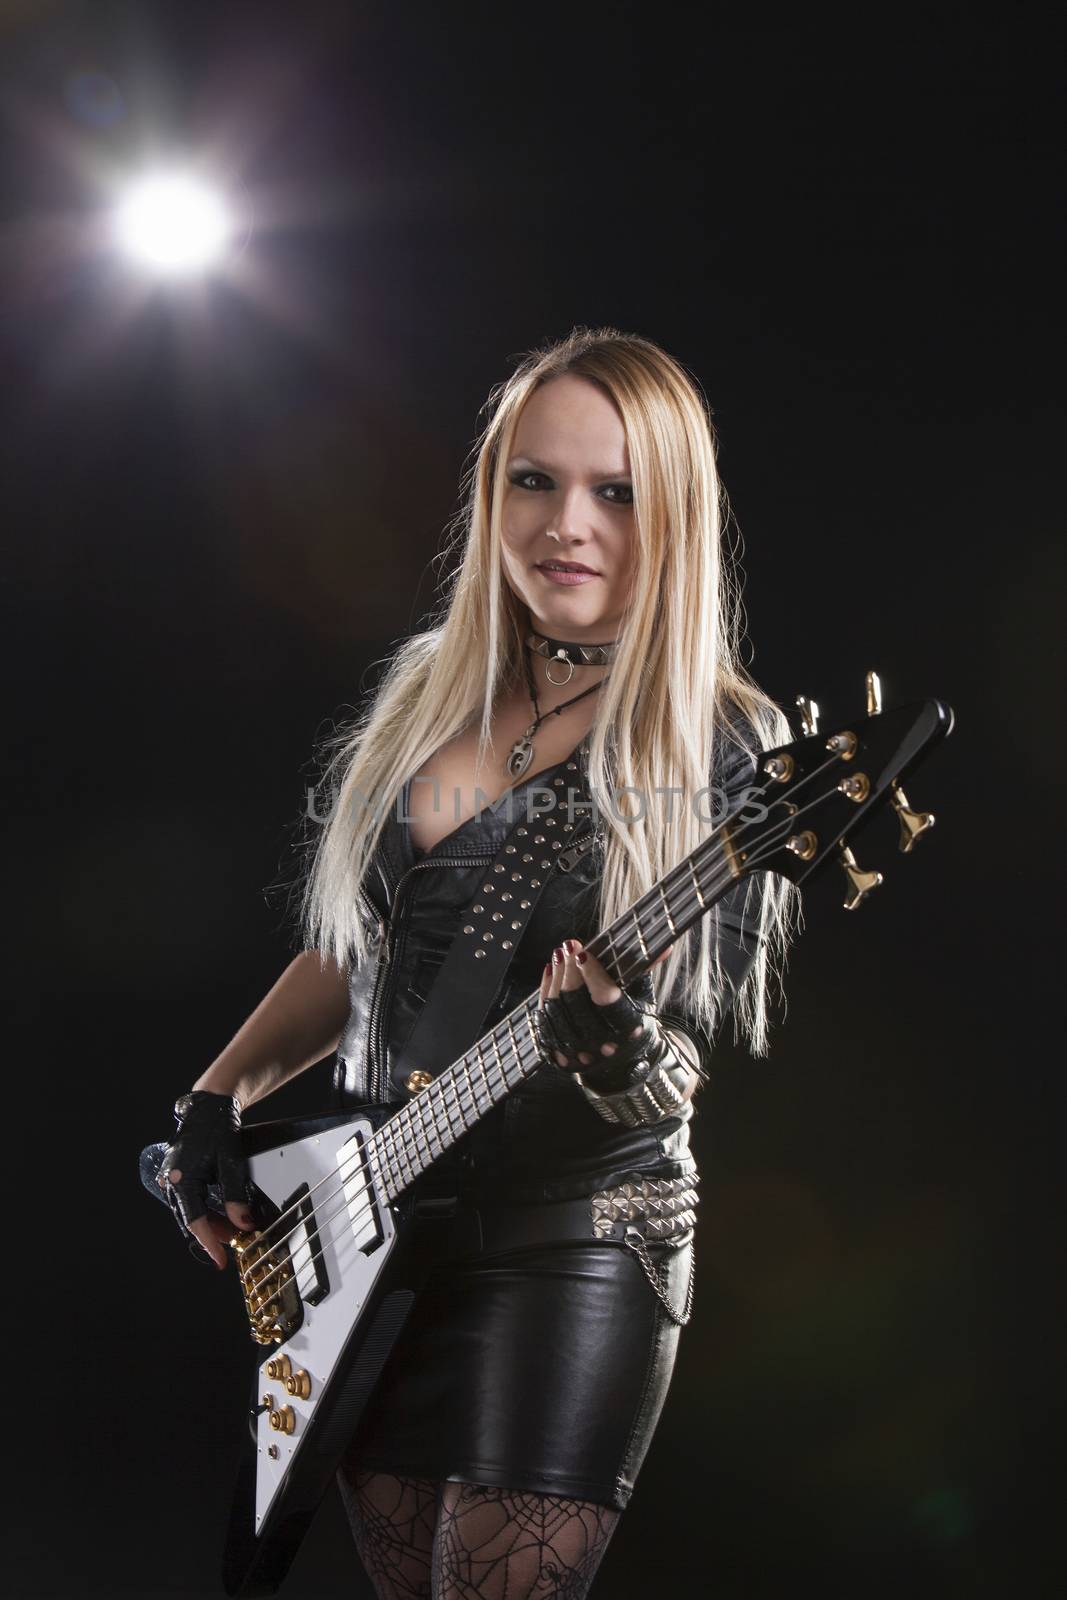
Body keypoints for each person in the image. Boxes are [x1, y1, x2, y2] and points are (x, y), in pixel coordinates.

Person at [140, 326, 798, 1599]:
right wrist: (218, 1095)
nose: (570, 525)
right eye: (534, 481)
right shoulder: (430, 694)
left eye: (616, 491)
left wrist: (615, 1049)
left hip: (575, 1240)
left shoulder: (727, 739)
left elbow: (679, 1069)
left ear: (673, 512)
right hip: (379, 1225)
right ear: (490, 492)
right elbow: (362, 950)